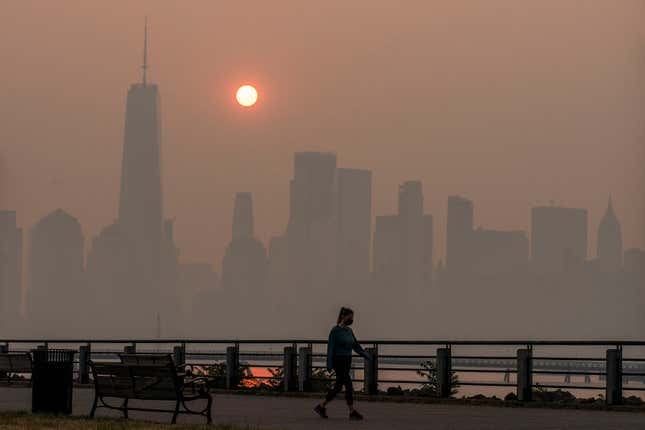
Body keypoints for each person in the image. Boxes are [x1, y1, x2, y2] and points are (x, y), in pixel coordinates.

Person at [314, 307, 371, 421]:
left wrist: (365, 354)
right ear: (343, 316)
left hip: (347, 360)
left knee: (338, 387)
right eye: (350, 317)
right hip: (338, 361)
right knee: (348, 384)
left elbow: (356, 345)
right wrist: (329, 364)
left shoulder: (349, 331)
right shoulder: (335, 331)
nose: (352, 319)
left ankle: (321, 406)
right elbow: (330, 348)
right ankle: (352, 411)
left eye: (352, 317)